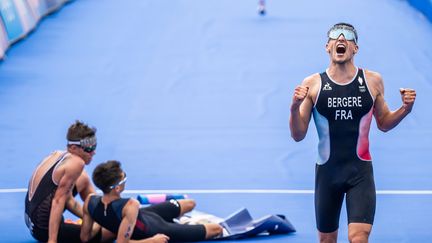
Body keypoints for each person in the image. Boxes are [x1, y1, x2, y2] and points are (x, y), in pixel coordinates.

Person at [289, 23, 416, 243]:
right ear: (327, 46)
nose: (341, 39)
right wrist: (293, 107)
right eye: (335, 36)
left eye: (347, 36)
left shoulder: (372, 81)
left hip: (360, 173)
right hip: (327, 174)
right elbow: (298, 134)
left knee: (359, 237)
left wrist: (405, 109)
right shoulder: (313, 84)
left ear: (355, 48)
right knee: (327, 240)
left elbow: (384, 123)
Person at [80, 160, 223, 243]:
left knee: (190, 203)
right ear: (117, 188)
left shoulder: (90, 201)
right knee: (216, 229)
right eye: (124, 179)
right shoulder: (130, 205)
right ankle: (179, 224)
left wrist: (109, 224)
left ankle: (181, 221)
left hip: (144, 215)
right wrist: (152, 241)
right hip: (155, 228)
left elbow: (85, 238)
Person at [25, 120, 104, 243]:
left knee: (83, 178)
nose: (93, 152)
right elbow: (58, 201)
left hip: (32, 222)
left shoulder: (57, 154)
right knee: (103, 231)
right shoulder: (77, 163)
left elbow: (66, 198)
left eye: (94, 146)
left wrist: (91, 216)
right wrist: (52, 240)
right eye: (89, 148)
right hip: (43, 230)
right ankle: (102, 218)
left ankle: (98, 213)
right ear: (73, 147)